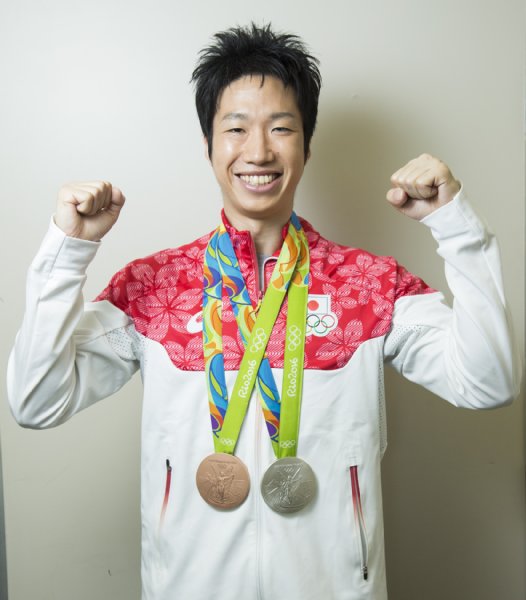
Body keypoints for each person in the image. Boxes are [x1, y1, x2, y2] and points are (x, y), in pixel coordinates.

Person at [7, 22, 520, 600]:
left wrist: (455, 227)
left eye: (281, 128)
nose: (258, 151)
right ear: (208, 146)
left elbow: (488, 383)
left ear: (306, 146)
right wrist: (68, 251)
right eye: (235, 129)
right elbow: (36, 401)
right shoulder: (153, 287)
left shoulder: (372, 286)